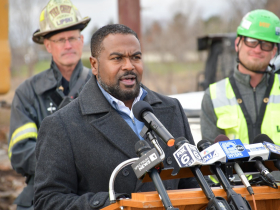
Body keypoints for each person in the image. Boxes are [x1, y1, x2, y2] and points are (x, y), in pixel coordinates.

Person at [34, 24, 200, 209]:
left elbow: (192, 182)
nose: (129, 66)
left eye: (136, 57)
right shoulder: (62, 125)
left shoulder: (171, 108)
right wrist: (114, 203)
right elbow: (48, 201)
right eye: (117, 58)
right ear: (95, 65)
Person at [8, 0, 91, 209]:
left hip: (93, 194)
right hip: (41, 196)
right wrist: (67, 162)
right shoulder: (27, 93)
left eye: (72, 37)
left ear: (81, 40)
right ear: (47, 45)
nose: (68, 45)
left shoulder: (101, 88)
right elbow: (19, 153)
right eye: (60, 39)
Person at [201, 9, 280, 145]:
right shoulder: (214, 96)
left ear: (273, 52)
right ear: (238, 43)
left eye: (266, 44)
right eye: (251, 41)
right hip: (233, 168)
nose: (257, 49)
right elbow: (212, 160)